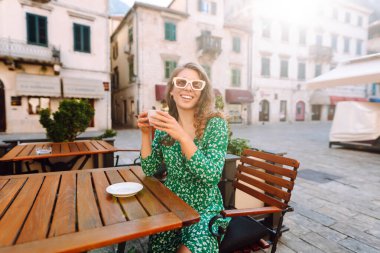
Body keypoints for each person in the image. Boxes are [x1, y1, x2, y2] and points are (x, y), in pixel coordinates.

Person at [137, 62, 229, 253]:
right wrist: (146, 133)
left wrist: (182, 136)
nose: (188, 88)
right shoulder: (165, 126)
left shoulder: (215, 124)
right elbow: (149, 169)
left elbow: (212, 176)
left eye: (196, 84)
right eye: (182, 82)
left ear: (202, 92)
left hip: (204, 211)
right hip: (171, 208)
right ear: (171, 89)